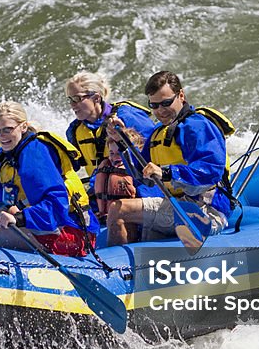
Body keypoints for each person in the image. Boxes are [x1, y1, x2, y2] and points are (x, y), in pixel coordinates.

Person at [0, 102, 98, 257]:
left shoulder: (34, 154)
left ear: (23, 127)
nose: (1, 135)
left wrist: (19, 218)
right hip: (52, 226)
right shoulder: (9, 154)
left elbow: (57, 203)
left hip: (73, 233)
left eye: (8, 129)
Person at [107, 71, 233, 246]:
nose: (160, 111)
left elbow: (210, 171)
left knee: (118, 209)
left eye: (166, 103)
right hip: (175, 205)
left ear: (181, 95)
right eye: (154, 105)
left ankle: (116, 270)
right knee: (136, 225)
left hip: (205, 211)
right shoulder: (158, 133)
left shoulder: (196, 126)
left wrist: (166, 172)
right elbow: (141, 176)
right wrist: (121, 141)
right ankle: (130, 268)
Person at [64, 71, 155, 178]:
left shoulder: (128, 117)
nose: (72, 104)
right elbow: (71, 167)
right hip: (102, 189)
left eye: (77, 98)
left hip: (140, 185)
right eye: (70, 99)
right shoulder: (74, 130)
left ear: (96, 98)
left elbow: (155, 152)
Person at [94, 127, 162, 243]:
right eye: (111, 153)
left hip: (138, 222)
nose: (115, 157)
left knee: (120, 210)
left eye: (119, 154)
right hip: (111, 219)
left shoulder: (140, 173)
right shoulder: (107, 169)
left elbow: (149, 200)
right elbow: (97, 191)